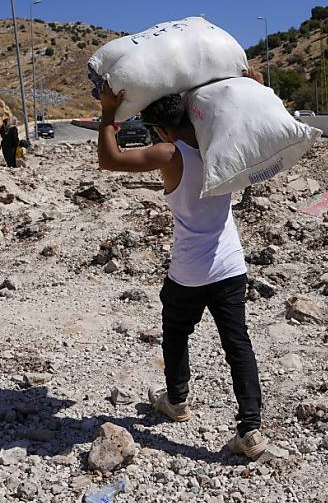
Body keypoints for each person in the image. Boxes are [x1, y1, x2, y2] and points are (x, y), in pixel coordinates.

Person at [95, 70, 267, 461]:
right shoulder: (221, 145)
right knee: (237, 344)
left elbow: (110, 160)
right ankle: (250, 431)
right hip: (230, 266)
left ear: (159, 127)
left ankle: (176, 401)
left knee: (175, 333)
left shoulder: (170, 154)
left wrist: (108, 116)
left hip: (190, 271)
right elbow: (258, 123)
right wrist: (255, 88)